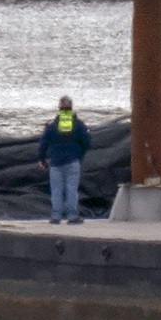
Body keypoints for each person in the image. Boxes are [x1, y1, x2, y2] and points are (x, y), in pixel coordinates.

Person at [37, 95, 93, 225]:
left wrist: (41, 158)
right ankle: (72, 217)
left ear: (59, 108)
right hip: (73, 161)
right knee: (72, 189)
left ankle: (55, 217)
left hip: (55, 162)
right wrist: (79, 154)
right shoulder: (78, 125)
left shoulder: (52, 125)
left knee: (56, 190)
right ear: (71, 107)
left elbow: (43, 143)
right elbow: (87, 141)